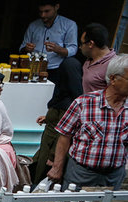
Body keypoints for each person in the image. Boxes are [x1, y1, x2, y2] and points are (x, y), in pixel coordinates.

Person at [48, 54, 128, 190]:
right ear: (113, 79)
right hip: (81, 174)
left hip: (113, 177)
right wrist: (57, 168)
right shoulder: (84, 103)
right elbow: (64, 136)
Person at [29, 57, 83, 184]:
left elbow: (63, 134)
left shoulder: (68, 104)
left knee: (43, 181)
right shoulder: (65, 97)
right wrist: (48, 118)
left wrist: (53, 159)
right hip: (47, 147)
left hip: (51, 151)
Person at [19, 0, 77, 83]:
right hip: (33, 68)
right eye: (40, 12)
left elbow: (73, 49)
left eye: (47, 11)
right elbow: (22, 48)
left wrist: (58, 49)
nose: (43, 15)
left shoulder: (69, 25)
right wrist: (26, 49)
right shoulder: (33, 25)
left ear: (56, 7)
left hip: (56, 69)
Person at [80, 23, 117, 93]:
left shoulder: (114, 65)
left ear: (91, 44)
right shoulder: (90, 58)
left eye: (82, 43)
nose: (80, 47)